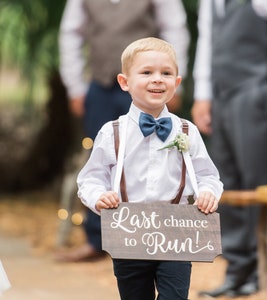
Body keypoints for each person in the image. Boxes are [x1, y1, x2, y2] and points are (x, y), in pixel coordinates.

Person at [77, 37, 223, 300]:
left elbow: (207, 175)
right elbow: (90, 179)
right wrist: (99, 197)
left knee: (175, 296)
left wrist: (208, 192)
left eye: (166, 73)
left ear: (176, 83)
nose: (157, 79)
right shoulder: (112, 133)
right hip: (129, 234)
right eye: (146, 72)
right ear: (125, 82)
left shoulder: (186, 131)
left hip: (176, 233)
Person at [56, 0, 190, 262]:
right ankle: (98, 240)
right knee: (101, 161)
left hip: (148, 86)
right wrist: (74, 85)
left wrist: (174, 82)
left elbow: (174, 28)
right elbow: (71, 33)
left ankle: (154, 236)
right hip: (101, 85)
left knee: (154, 155)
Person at [192, 0, 267, 297]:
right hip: (222, 97)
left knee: (259, 181)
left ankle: (261, 271)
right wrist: (202, 94)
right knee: (224, 183)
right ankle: (237, 269)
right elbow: (207, 41)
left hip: (260, 92)